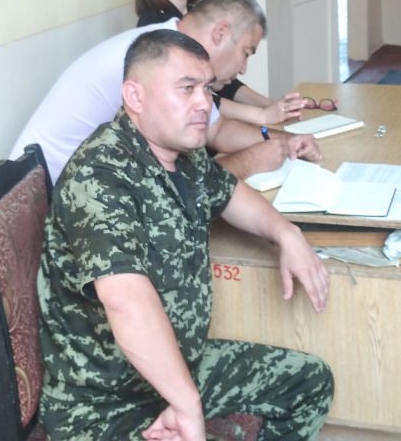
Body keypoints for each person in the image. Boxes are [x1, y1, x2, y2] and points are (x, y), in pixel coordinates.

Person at [37, 29, 334, 440]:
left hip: (179, 366)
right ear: (135, 96)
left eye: (207, 89)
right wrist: (187, 404)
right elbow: (126, 302)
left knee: (309, 382)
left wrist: (288, 234)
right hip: (104, 403)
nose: (204, 104)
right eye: (186, 88)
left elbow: (231, 195)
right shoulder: (99, 176)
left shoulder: (181, 153)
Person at [11, 0, 321, 182]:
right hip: (56, 198)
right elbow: (174, 184)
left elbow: (217, 130)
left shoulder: (177, 52)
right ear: (220, 33)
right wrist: (251, 159)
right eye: (246, 52)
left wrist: (283, 141)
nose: (242, 68)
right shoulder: (155, 61)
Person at [135, 0, 307, 126]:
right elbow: (196, 94)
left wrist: (270, 105)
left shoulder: (192, 13)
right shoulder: (155, 25)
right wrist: (261, 115)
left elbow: (224, 81)